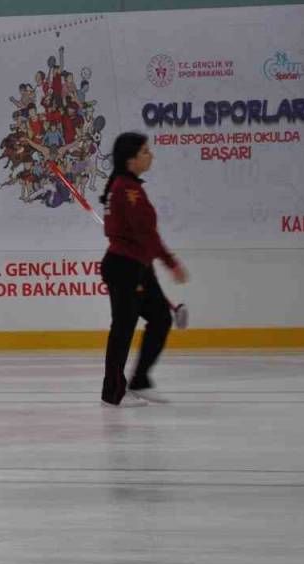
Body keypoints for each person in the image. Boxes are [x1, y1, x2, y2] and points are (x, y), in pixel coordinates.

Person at [98, 132, 189, 407]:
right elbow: (147, 235)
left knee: (160, 318)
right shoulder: (127, 191)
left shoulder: (125, 186)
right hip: (125, 267)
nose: (151, 155)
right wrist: (171, 263)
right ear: (130, 160)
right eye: (145, 151)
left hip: (136, 265)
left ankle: (139, 381)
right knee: (123, 329)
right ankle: (113, 393)